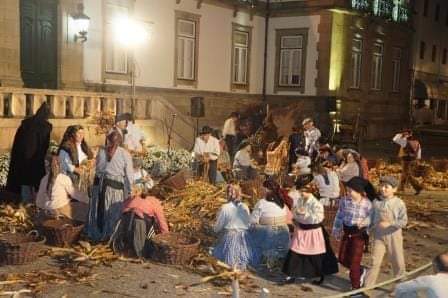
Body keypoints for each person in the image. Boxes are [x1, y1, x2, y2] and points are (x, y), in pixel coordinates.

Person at [282, 179, 338, 285]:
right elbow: (295, 212)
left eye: (304, 192)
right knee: (295, 252)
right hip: (301, 230)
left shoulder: (316, 204)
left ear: (310, 192)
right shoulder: (300, 200)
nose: (302, 193)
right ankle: (291, 274)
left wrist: (305, 214)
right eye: (301, 191)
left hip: (312, 231)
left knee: (314, 254)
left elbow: (319, 218)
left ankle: (319, 274)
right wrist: (297, 215)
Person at [87, 130, 134, 242]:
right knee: (111, 211)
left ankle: (97, 234)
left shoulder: (101, 151)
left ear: (108, 139)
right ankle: (110, 235)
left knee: (98, 209)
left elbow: (97, 169)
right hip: (113, 189)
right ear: (120, 141)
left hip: (99, 186)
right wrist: (130, 191)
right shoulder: (124, 153)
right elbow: (129, 175)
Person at [364, 176, 407, 292]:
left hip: (394, 236)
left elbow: (404, 221)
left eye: (386, 187)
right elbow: (371, 217)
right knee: (374, 261)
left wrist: (390, 223)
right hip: (378, 236)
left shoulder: (399, 203)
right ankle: (367, 287)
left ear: (394, 189)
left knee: (397, 262)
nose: (383, 189)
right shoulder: (376, 202)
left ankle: (400, 288)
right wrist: (364, 223)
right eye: (381, 186)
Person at [6, 102, 52, 203]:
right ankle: (35, 205)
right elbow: (44, 145)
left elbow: (18, 142)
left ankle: (26, 205)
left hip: (24, 159)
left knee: (25, 183)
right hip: (36, 159)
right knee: (37, 184)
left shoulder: (26, 123)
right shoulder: (46, 126)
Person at [332, 177, 373, 291]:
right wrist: (337, 229)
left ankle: (355, 287)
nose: (348, 192)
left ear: (359, 191)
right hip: (347, 233)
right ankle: (360, 271)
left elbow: (372, 218)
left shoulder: (367, 204)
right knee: (342, 258)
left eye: (351, 191)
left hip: (359, 235)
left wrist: (365, 223)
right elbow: (339, 216)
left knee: (354, 262)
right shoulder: (344, 201)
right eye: (347, 190)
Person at [110, 183, 168, 258]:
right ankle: (139, 250)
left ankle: (124, 248)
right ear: (159, 198)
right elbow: (162, 222)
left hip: (124, 221)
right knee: (146, 247)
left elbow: (123, 207)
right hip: (139, 223)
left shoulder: (135, 197)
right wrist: (166, 236)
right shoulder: (156, 202)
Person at [213, 183, 260, 269]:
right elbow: (248, 224)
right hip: (245, 238)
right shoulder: (245, 206)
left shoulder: (224, 207)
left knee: (225, 257)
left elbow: (218, 226)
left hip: (230, 237)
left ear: (228, 194)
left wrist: (215, 230)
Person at [36, 154, 89, 222]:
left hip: (49, 209)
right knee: (85, 208)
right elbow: (75, 194)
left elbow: (39, 200)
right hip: (61, 208)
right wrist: (88, 200)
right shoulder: (63, 178)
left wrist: (46, 208)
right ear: (59, 165)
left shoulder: (44, 179)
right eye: (59, 163)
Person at [251, 179, 291, 263]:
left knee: (251, 228)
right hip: (284, 232)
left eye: (262, 188)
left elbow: (252, 222)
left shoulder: (261, 203)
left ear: (266, 190)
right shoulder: (281, 203)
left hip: (269, 233)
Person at [392, 129, 423, 195]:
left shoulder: (405, 142)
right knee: (404, 174)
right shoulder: (417, 142)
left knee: (407, 174)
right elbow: (419, 151)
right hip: (413, 160)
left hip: (406, 160)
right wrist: (417, 160)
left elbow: (395, 139)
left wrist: (402, 135)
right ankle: (401, 188)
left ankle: (418, 187)